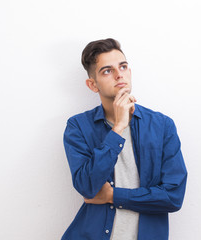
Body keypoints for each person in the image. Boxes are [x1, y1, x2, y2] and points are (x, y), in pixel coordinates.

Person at [62, 38, 188, 240]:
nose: (119, 74)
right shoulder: (78, 127)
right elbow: (86, 187)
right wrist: (118, 129)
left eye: (123, 66)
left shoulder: (162, 126)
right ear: (92, 85)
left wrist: (113, 196)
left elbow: (173, 197)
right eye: (107, 70)